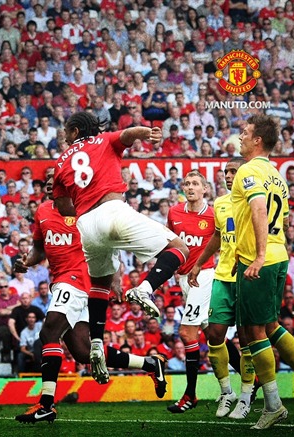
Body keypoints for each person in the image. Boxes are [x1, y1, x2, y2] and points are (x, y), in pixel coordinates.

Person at [14, 168, 166, 424]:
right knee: (84, 351)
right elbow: (40, 248)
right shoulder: (42, 211)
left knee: (49, 333)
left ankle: (47, 404)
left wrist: (116, 275)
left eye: (56, 181)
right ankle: (149, 364)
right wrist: (26, 262)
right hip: (64, 283)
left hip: (79, 280)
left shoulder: (85, 209)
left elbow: (109, 242)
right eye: (48, 182)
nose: (51, 185)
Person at [53, 112, 188, 384]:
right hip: (112, 210)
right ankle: (145, 289)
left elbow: (62, 207)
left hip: (86, 225)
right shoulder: (103, 140)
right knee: (179, 247)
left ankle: (96, 343)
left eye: (66, 131)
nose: (64, 136)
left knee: (100, 284)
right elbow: (126, 135)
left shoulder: (60, 162)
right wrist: (146, 132)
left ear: (76, 130)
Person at [231, 114, 294, 430]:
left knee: (253, 331)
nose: (240, 135)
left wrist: (257, 256)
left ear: (257, 139)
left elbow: (259, 209)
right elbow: (284, 221)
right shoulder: (277, 175)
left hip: (258, 261)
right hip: (279, 255)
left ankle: (273, 404)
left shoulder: (248, 170)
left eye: (245, 131)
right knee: (270, 325)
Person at [188, 157, 253, 419]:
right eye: (225, 171)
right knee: (214, 333)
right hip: (222, 275)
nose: (227, 175)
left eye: (233, 171)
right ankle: (227, 392)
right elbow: (217, 236)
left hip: (248, 276)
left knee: (247, 339)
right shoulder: (222, 204)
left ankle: (247, 396)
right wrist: (199, 263)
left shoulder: (253, 201)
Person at [165, 169, 218, 414]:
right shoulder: (174, 212)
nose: (190, 187)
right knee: (214, 335)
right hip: (185, 279)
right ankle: (251, 375)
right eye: (186, 184)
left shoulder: (214, 214)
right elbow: (171, 243)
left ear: (205, 188)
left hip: (204, 277)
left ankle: (190, 394)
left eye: (195, 183)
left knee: (187, 333)